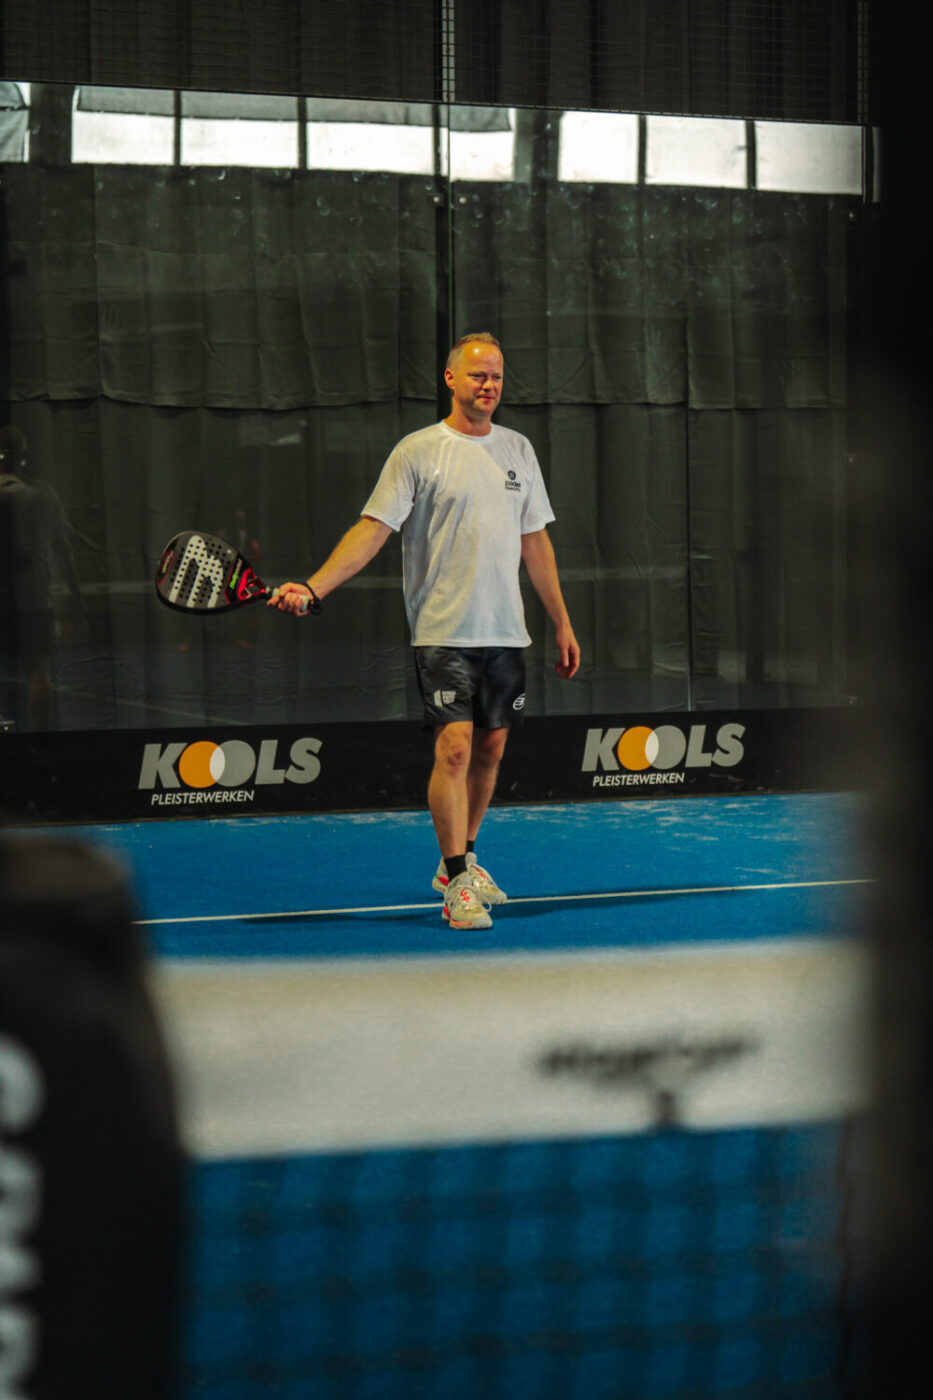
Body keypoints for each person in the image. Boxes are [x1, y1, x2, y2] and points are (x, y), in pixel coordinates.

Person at [269, 333, 580, 929]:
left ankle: (462, 859)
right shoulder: (417, 451)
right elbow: (372, 529)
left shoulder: (518, 449)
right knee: (456, 748)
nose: (489, 385)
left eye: (496, 376)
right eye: (478, 375)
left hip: (506, 631)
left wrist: (562, 623)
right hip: (442, 630)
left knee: (491, 749)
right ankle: (457, 880)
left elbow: (535, 541)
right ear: (450, 378)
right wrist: (313, 588)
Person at [0, 425, 84, 730]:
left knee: (38, 674)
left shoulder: (40, 495)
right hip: (35, 600)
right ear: (22, 456)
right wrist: (76, 599)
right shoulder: (42, 495)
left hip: (23, 599)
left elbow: (63, 549)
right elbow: (64, 551)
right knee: (38, 672)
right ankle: (41, 743)